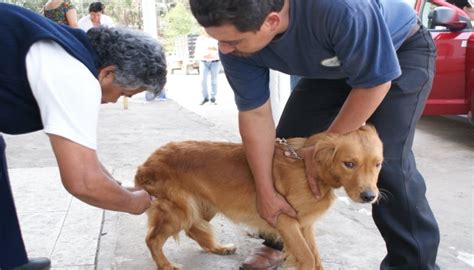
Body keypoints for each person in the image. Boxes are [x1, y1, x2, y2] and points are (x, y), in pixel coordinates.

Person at [189, 0, 440, 269]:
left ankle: (413, 264)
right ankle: (281, 237)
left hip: (397, 50)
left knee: (388, 164)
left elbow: (374, 83)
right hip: (330, 67)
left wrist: (321, 147)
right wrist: (265, 192)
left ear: (271, 21)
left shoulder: (342, 9)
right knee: (288, 151)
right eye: (218, 40)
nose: (224, 49)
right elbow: (255, 116)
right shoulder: (232, 48)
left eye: (234, 41)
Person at [0, 3, 167, 270]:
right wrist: (134, 203)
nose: (114, 102)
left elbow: (79, 152)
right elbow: (83, 182)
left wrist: (115, 185)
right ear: (108, 73)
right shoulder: (75, 76)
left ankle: (8, 259)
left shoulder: (70, 49)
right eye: (124, 94)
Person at [195, 33, 220, 105]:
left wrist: (213, 51)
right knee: (203, 80)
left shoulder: (216, 37)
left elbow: (219, 48)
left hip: (215, 61)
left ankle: (213, 98)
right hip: (203, 61)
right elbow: (197, 50)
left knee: (214, 80)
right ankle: (205, 97)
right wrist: (196, 59)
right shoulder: (200, 39)